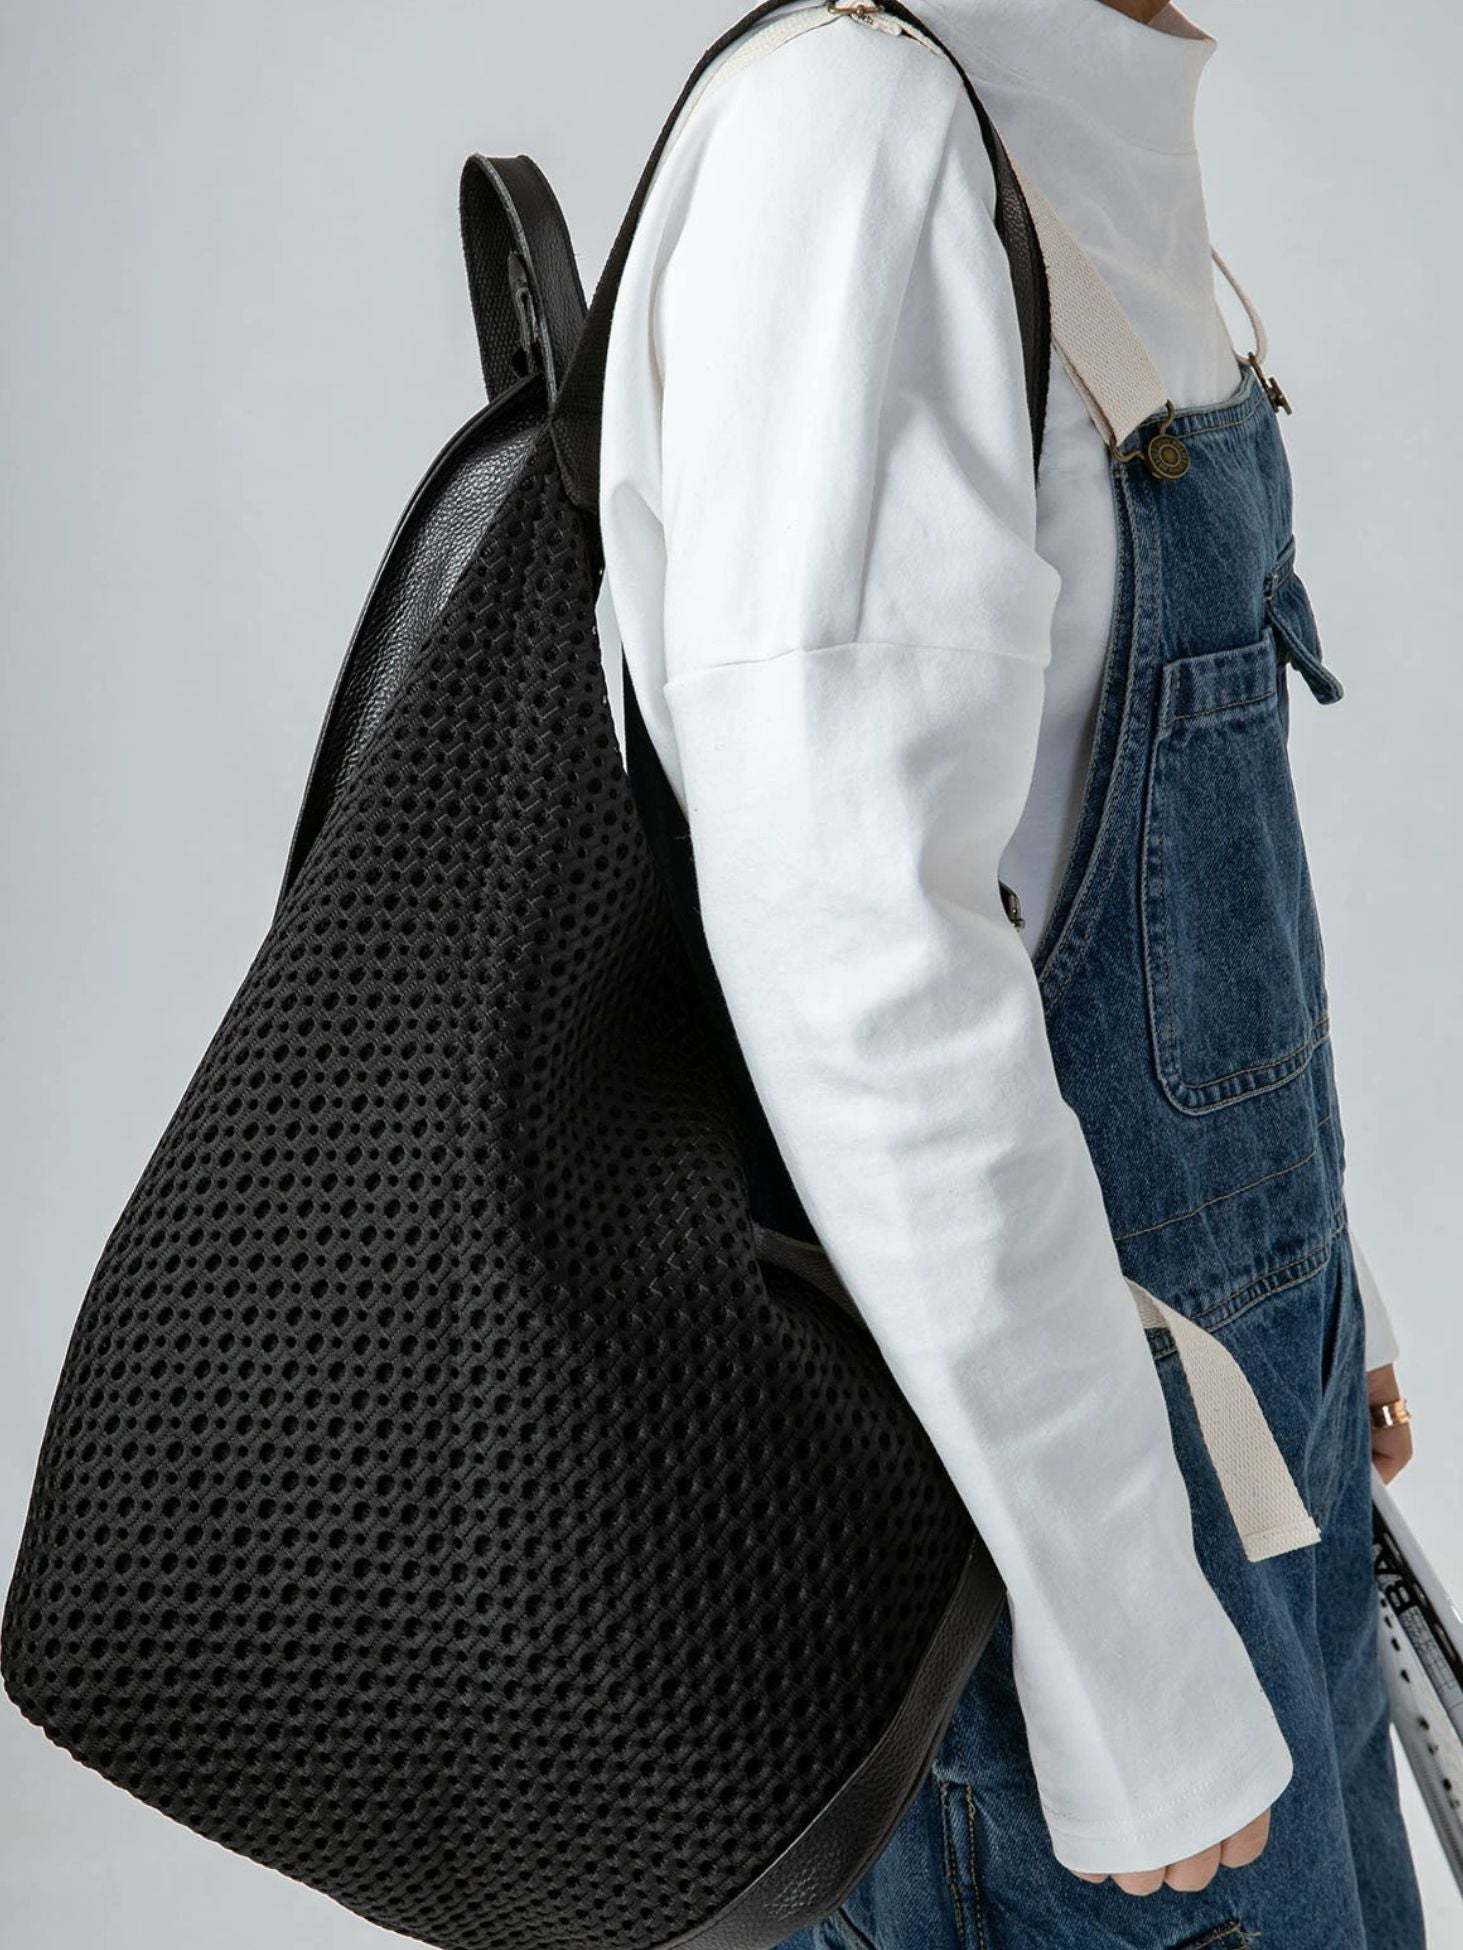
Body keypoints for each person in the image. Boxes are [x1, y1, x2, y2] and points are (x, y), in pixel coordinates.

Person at [597, 0, 1426, 1941]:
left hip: (1229, 1437)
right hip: (1032, 1593)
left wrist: (1313, 1278)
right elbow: (852, 954)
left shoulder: (1080, 127)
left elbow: (1099, 878)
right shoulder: (860, 137)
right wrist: (1119, 1640)